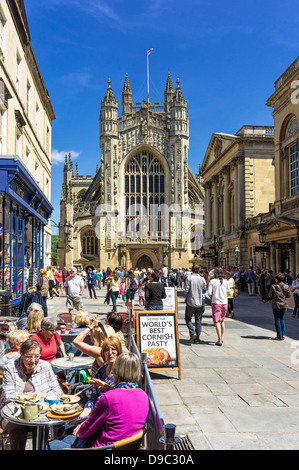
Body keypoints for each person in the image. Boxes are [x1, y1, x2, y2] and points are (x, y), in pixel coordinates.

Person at [46, 352, 149, 449]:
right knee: (62, 438)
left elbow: (85, 432)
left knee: (50, 444)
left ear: (116, 373)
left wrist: (81, 426)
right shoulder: (143, 396)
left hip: (100, 448)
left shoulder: (109, 398)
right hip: (124, 447)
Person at [0, 339, 61, 450]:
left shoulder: (45, 366)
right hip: (14, 414)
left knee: (42, 428)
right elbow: (9, 396)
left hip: (40, 415)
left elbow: (56, 392)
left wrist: (29, 396)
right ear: (21, 355)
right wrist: (35, 395)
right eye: (29, 356)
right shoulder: (10, 368)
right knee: (17, 429)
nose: (33, 361)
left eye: (37, 356)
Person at [184, 264, 207, 344]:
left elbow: (186, 290)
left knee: (187, 318)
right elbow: (204, 290)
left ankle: (192, 332)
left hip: (191, 302)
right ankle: (197, 339)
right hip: (200, 302)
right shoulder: (202, 279)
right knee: (198, 320)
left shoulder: (189, 278)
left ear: (192, 270)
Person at [207, 267, 230, 346]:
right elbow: (228, 292)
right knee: (222, 320)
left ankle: (219, 339)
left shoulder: (212, 281)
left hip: (216, 302)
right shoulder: (226, 281)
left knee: (217, 321)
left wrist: (212, 298)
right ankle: (222, 337)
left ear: (215, 274)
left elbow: (209, 293)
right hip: (224, 303)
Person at [268, 272, 291, 341]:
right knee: (282, 319)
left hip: (276, 305)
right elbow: (289, 295)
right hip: (284, 304)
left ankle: (279, 336)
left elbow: (270, 295)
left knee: (277, 319)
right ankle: (283, 334)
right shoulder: (286, 286)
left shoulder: (273, 286)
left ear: (276, 279)